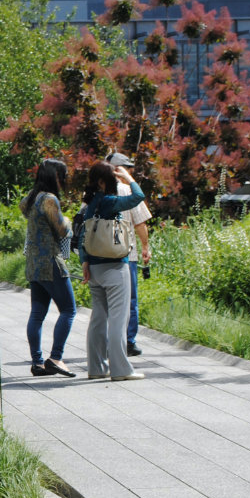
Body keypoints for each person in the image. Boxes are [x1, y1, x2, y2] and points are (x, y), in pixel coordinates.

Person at [80, 161, 148, 381]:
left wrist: (85, 263)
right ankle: (121, 370)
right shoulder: (109, 201)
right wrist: (129, 178)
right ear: (103, 181)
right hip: (116, 266)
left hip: (95, 267)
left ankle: (96, 367)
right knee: (119, 319)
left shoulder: (89, 203)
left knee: (98, 319)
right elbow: (138, 197)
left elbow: (83, 235)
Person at [20, 159, 77, 377]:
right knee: (69, 310)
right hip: (50, 262)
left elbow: (24, 208)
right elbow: (62, 230)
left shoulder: (31, 198)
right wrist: (69, 221)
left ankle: (37, 362)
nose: (64, 180)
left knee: (37, 314)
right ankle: (55, 357)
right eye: (63, 176)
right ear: (55, 176)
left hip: (33, 263)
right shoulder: (49, 200)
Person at [105, 152, 153, 357]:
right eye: (127, 169)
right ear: (119, 170)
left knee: (105, 301)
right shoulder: (127, 191)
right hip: (127, 254)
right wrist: (145, 247)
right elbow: (140, 223)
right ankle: (129, 341)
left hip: (101, 255)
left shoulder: (93, 192)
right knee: (130, 299)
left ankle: (108, 340)